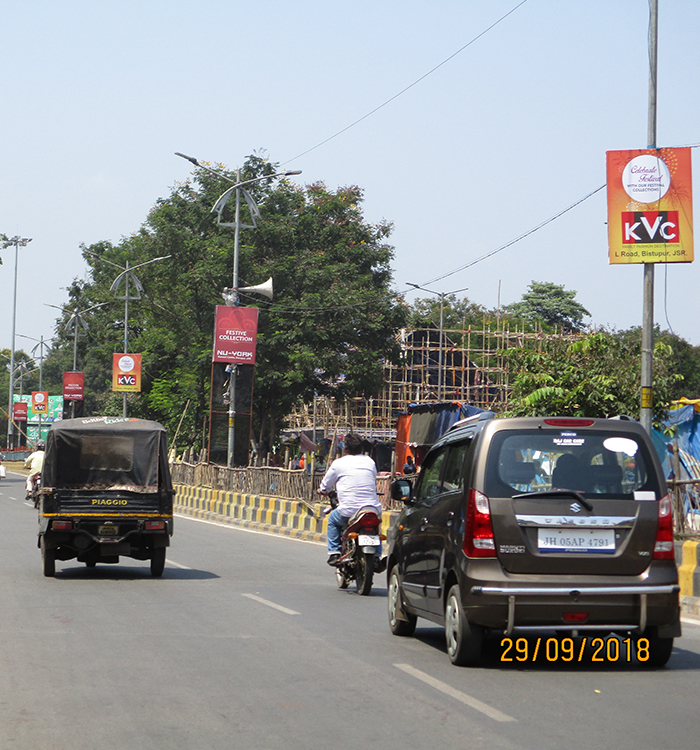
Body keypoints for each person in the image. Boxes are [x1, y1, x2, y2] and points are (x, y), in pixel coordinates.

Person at [318, 433, 385, 570]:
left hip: (348, 511)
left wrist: (322, 491)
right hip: (371, 509)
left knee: (332, 521)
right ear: (361, 448)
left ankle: (334, 552)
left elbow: (325, 486)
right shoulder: (370, 462)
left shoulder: (338, 463)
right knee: (376, 527)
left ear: (345, 448)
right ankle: (377, 557)